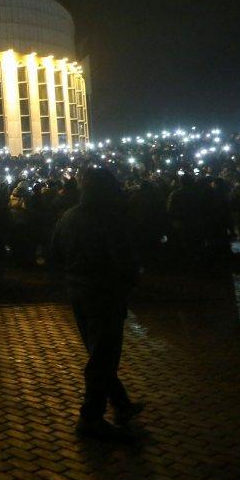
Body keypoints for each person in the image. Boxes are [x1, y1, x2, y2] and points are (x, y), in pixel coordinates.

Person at [50, 167, 144, 443]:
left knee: (99, 351)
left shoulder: (68, 216)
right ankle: (90, 417)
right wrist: (129, 284)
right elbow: (124, 259)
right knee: (104, 355)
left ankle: (121, 403)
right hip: (105, 293)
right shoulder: (109, 219)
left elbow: (54, 254)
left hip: (78, 291)